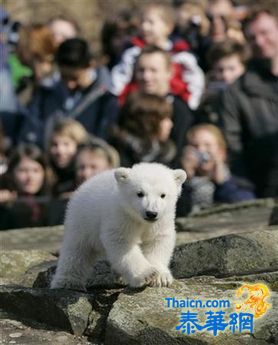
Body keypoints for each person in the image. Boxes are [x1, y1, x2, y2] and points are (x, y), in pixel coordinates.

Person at [219, 4, 278, 197]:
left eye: (265, 33)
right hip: (267, 189)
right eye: (252, 37)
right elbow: (233, 148)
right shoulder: (236, 92)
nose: (260, 42)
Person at [20, 38, 119, 146]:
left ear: (91, 65)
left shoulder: (105, 101)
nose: (68, 84)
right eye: (64, 77)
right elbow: (30, 131)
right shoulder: (45, 94)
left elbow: (103, 141)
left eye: (74, 78)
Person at [111, 2, 205, 110]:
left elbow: (195, 80)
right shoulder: (133, 53)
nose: (145, 27)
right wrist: (116, 100)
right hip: (140, 104)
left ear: (168, 27)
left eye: (151, 23)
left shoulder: (181, 55)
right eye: (142, 22)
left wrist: (191, 104)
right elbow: (120, 78)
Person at [133, 46, 194, 167]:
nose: (146, 76)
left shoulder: (179, 110)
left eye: (153, 70)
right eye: (141, 70)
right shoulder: (129, 108)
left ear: (169, 72)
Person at [177, 124, 255, 216]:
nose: (201, 150)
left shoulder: (239, 184)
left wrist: (222, 184)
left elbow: (246, 207)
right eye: (195, 146)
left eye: (207, 145)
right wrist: (186, 179)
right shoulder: (177, 186)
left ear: (221, 152)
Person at [111, 92, 176, 167]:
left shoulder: (162, 154)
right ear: (148, 122)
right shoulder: (118, 155)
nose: (170, 124)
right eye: (164, 118)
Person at [0, 143, 52, 229]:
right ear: (11, 173)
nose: (30, 177)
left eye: (36, 171)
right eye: (23, 170)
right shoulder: (4, 204)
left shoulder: (53, 196)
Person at [197, 39, 249, 125]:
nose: (225, 75)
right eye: (220, 70)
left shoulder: (254, 98)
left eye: (232, 69)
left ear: (244, 68)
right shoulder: (209, 101)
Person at [46, 118, 89, 197]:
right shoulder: (47, 173)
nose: (60, 150)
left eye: (66, 144)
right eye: (55, 145)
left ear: (79, 146)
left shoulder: (88, 173)